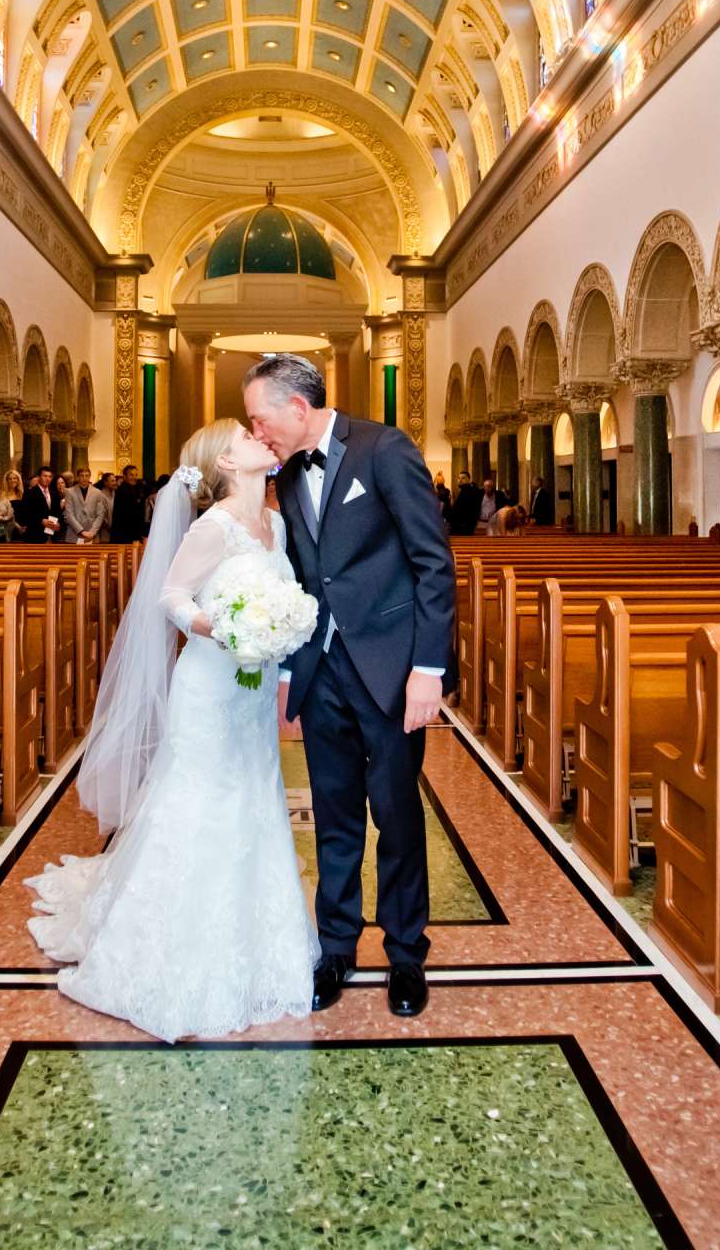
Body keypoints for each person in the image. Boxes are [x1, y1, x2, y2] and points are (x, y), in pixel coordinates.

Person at [25, 419, 318, 1041]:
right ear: (226, 463)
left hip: (252, 688)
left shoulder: (278, 522)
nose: (259, 439)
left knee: (254, 794)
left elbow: (286, 598)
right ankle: (172, 947)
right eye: (245, 437)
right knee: (199, 800)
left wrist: (276, 643)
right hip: (210, 686)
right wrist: (221, 629)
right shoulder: (212, 528)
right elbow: (171, 596)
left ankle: (255, 934)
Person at [245, 351, 454, 1019]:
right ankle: (336, 946)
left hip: (390, 671)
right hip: (323, 670)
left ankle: (405, 955)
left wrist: (428, 670)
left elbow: (432, 564)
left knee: (396, 815)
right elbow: (305, 578)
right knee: (334, 816)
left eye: (260, 419)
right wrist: (287, 671)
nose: (257, 434)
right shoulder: (285, 474)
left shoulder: (384, 450)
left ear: (297, 408)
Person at [61, 467, 109, 543]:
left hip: (92, 535)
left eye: (87, 475)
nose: (84, 478)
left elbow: (100, 515)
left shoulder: (97, 492)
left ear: (90, 476)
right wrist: (81, 531)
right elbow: (69, 514)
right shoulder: (70, 492)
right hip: (74, 534)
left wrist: (92, 532)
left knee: (93, 555)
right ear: (78, 477)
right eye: (81, 475)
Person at [15, 467, 61, 542]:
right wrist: (41, 521)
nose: (48, 479)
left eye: (50, 476)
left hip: (52, 535)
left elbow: (58, 513)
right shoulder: (30, 493)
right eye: (45, 476)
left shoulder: (55, 494)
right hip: (35, 535)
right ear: (39, 477)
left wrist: (59, 523)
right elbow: (24, 514)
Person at [108, 463, 147, 543]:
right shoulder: (123, 490)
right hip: (125, 535)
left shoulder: (134, 489)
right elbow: (128, 515)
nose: (134, 477)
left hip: (131, 533)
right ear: (125, 476)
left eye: (136, 475)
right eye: (131, 475)